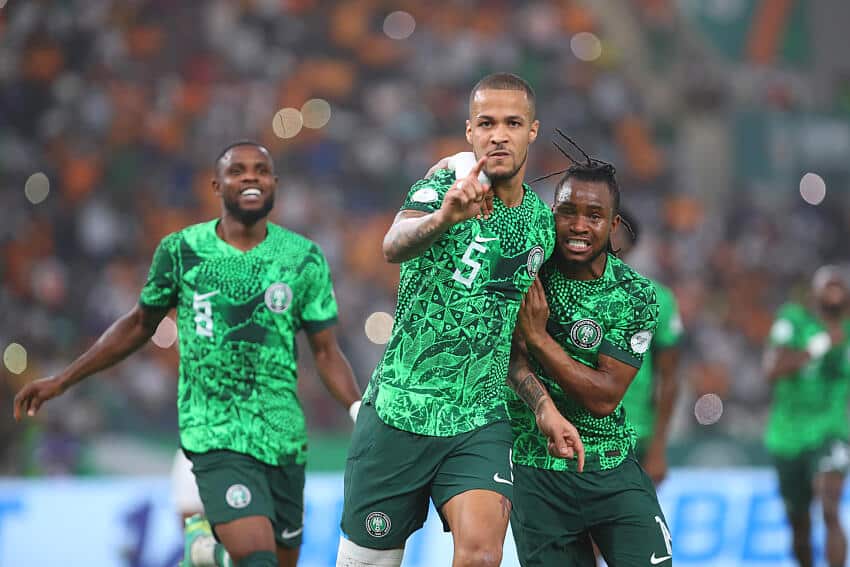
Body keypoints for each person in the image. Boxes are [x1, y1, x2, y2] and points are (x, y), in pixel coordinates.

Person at [13, 141, 363, 567]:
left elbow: (326, 351)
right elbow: (139, 324)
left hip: (282, 438)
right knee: (258, 560)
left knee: (276, 560)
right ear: (217, 185)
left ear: (275, 183)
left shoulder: (303, 258)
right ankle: (210, 548)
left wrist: (356, 407)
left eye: (261, 169)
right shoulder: (183, 251)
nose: (250, 176)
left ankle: (205, 553)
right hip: (213, 431)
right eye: (238, 170)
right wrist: (63, 380)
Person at [336, 73, 584, 567]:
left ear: (532, 131)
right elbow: (392, 244)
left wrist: (541, 406)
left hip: (477, 420)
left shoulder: (539, 224)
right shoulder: (450, 179)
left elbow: (506, 336)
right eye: (487, 123)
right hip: (398, 413)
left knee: (481, 554)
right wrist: (444, 217)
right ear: (469, 131)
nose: (499, 134)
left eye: (513, 123)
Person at [506, 137, 672, 566]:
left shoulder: (635, 295)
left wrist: (540, 339)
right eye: (568, 212)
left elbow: (603, 397)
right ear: (553, 214)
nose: (579, 225)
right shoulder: (526, 271)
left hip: (610, 468)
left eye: (594, 216)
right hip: (536, 469)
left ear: (613, 224)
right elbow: (509, 360)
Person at [763, 266, 850, 567]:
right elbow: (772, 370)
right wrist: (821, 345)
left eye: (841, 287)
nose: (835, 293)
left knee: (830, 506)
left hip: (831, 428)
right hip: (788, 435)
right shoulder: (794, 321)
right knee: (799, 522)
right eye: (829, 286)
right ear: (815, 293)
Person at [612, 210, 683, 484]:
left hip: (635, 433)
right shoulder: (561, 290)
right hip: (574, 434)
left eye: (616, 229)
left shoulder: (658, 298)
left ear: (632, 243)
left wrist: (658, 448)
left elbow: (669, 377)